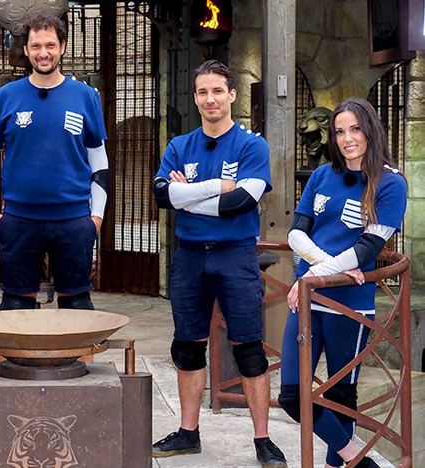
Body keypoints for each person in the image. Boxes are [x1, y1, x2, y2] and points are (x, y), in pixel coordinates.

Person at [151, 59, 287, 467]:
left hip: (235, 256)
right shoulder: (179, 146)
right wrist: (210, 190)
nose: (210, 99)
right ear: (195, 98)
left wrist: (187, 196)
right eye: (202, 92)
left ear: (231, 95)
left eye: (217, 91)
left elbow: (241, 202)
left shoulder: (252, 145)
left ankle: (262, 439)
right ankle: (188, 433)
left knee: (249, 351)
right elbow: (161, 196)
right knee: (187, 348)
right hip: (189, 257)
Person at [280, 98, 407, 468]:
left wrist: (317, 275)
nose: (347, 138)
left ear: (370, 130)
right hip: (307, 297)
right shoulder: (321, 176)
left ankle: (339, 464)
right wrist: (320, 271)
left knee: (341, 396)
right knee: (292, 395)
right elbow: (296, 235)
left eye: (355, 129)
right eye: (339, 132)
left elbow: (368, 248)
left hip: (349, 305)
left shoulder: (391, 183)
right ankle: (359, 461)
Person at [0, 13, 108, 311]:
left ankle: (72, 360)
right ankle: (17, 360)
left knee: (76, 303)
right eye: (36, 46)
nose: (43, 53)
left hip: (73, 220)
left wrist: (95, 220)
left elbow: (100, 166)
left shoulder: (86, 96)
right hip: (19, 220)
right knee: (15, 304)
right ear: (26, 49)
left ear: (62, 46)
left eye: (50, 45)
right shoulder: (6, 97)